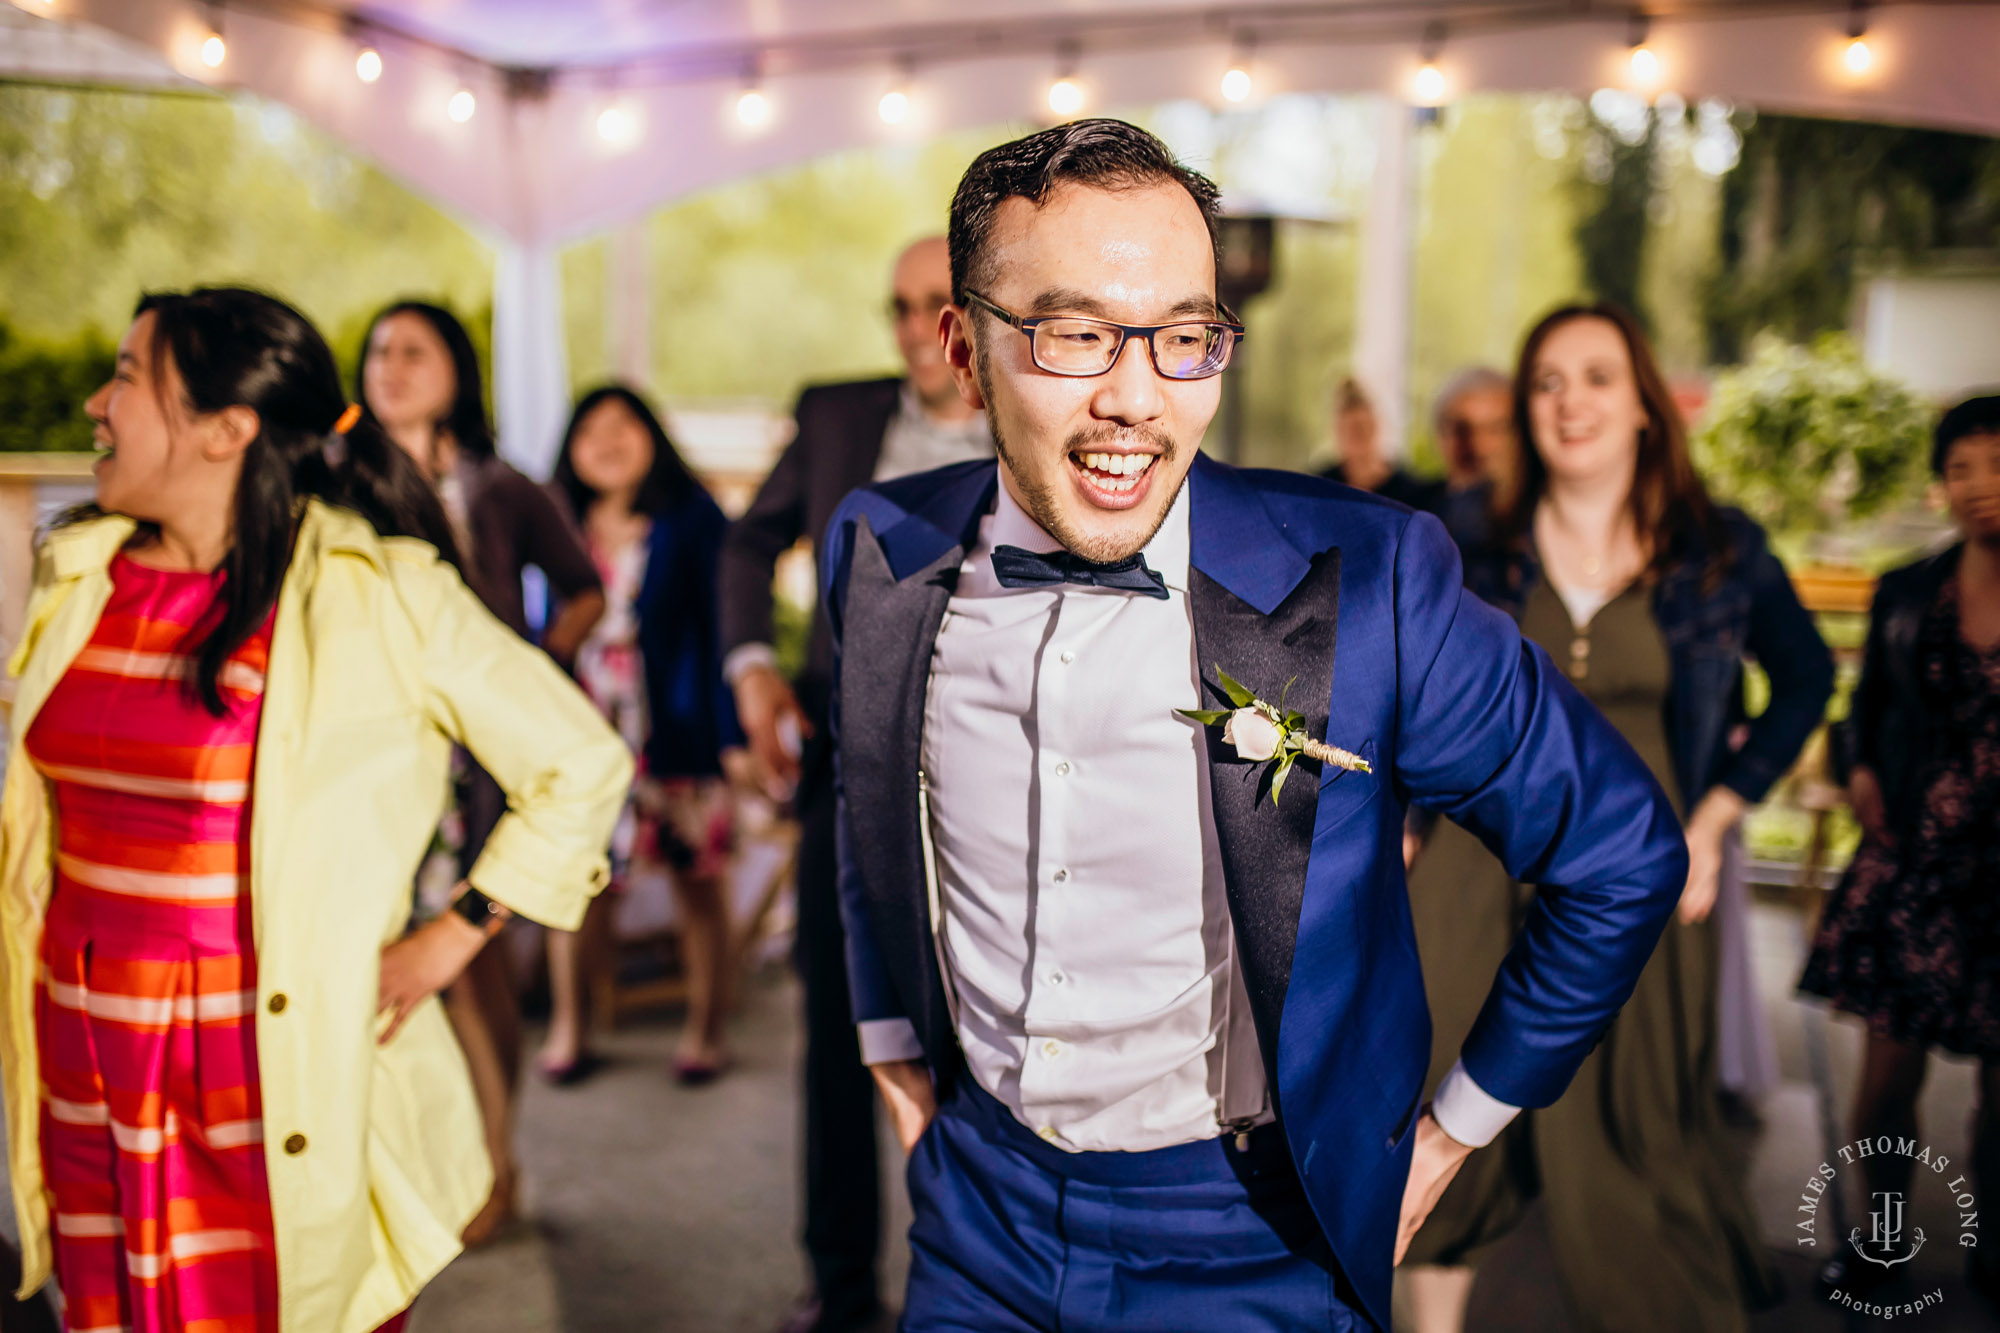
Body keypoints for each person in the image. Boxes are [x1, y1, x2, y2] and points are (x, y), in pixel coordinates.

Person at [823, 119, 1689, 1333]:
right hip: (977, 1211)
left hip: (1253, 1230)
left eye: (1182, 336)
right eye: (1074, 334)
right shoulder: (878, 548)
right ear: (963, 350)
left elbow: (1619, 854)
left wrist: (1447, 1136)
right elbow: (865, 794)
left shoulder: (1372, 581)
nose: (1136, 398)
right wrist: (888, 1042)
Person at [0, 288, 628, 1332]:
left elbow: (580, 762)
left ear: (225, 427)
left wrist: (451, 938)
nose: (94, 405)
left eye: (125, 377)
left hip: (255, 1064)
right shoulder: (83, 576)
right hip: (84, 1048)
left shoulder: (373, 588)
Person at [1402, 302, 1830, 1333]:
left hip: (1636, 866)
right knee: (1433, 1103)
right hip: (1468, 858)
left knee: (1640, 1140)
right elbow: (1393, 672)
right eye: (1545, 382)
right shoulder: (1467, 534)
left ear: (1643, 402)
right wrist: (1396, 808)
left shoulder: (1715, 548)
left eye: (1594, 376)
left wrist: (1715, 821)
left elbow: (1807, 677)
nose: (1567, 402)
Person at [719, 236, 994, 1333]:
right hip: (849, 757)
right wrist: (751, 670)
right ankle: (837, 1289)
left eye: (934, 305)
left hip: (993, 768)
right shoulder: (836, 413)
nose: (909, 330)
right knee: (840, 1034)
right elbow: (745, 544)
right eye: (896, 306)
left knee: (983, 1038)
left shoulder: (1037, 411)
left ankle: (979, 1280)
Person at [357, 299, 605, 1242]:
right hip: (378, 755)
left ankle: (498, 1163)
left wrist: (532, 672)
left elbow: (583, 584)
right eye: (380, 350)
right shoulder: (332, 475)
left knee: (472, 965)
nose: (393, 366)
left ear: (457, 369)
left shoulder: (500, 486)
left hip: (482, 763)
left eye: (415, 350)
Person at [1801, 394, 2000, 1302]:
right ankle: (1881, 1249)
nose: (1980, 487)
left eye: (1996, 464)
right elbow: (1864, 715)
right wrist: (1863, 771)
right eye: (1961, 468)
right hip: (1916, 866)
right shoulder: (1908, 590)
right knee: (1884, 1089)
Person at [544, 385, 744, 1084]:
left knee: (697, 878)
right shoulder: (554, 520)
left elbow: (726, 627)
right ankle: (571, 1026)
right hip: (579, 729)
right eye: (589, 429)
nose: (606, 441)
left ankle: (706, 1029)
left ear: (652, 435)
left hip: (676, 726)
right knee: (575, 884)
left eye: (623, 425)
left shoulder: (692, 519)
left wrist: (730, 735)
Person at [1318, 375, 1441, 510]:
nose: (1358, 436)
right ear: (1337, 431)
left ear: (1377, 426)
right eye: (1351, 430)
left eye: (1362, 429)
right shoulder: (1319, 488)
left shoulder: (1411, 492)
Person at [1430, 366, 1515, 544]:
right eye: (1461, 430)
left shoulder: (1544, 521)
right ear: (1439, 433)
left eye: (1495, 429)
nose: (1478, 446)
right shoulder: (1409, 513)